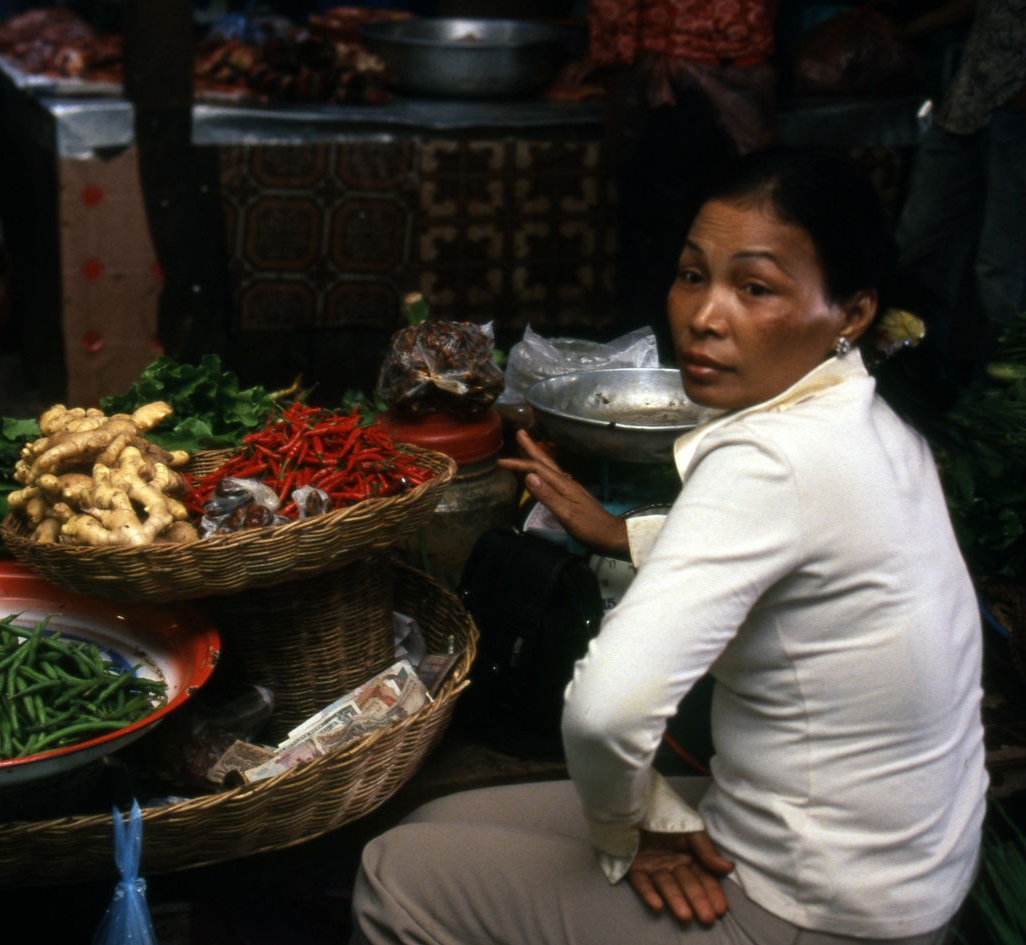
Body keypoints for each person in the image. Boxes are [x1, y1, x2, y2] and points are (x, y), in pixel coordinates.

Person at [350, 149, 987, 944]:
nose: (704, 316)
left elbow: (605, 711)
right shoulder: (873, 424)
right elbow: (817, 567)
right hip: (906, 875)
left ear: (851, 313)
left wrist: (634, 829)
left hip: (817, 908)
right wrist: (624, 535)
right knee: (441, 819)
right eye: (694, 274)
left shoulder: (767, 458)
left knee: (395, 874)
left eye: (754, 287)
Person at [549, 0, 779, 357]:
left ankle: (655, 357)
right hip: (745, 73)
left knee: (662, 235)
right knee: (726, 222)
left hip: (675, 84)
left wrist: (604, 63)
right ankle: (720, 348)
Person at [895, 0, 1026, 382]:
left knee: (1004, 273)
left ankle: (995, 411)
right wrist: (910, 29)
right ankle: (915, 383)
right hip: (966, 104)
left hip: (1016, 119)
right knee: (919, 249)